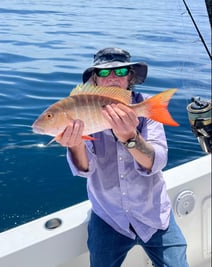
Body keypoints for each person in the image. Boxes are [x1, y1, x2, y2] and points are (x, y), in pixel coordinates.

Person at [57, 48, 189, 267]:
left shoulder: (146, 107)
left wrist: (129, 137)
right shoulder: (82, 109)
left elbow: (157, 162)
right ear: (95, 79)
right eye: (103, 72)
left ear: (129, 77)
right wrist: (76, 144)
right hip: (109, 218)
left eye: (119, 71)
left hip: (154, 215)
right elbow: (84, 169)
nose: (112, 77)